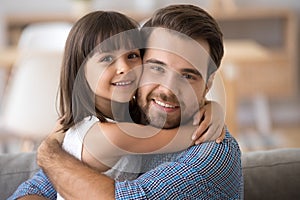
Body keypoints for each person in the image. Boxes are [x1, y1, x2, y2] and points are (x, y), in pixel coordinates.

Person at [9, 9, 226, 200]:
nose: (125, 68)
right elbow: (37, 187)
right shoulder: (113, 132)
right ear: (81, 72)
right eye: (157, 68)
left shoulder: (211, 154)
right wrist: (214, 112)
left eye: (188, 76)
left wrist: (50, 151)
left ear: (208, 84)